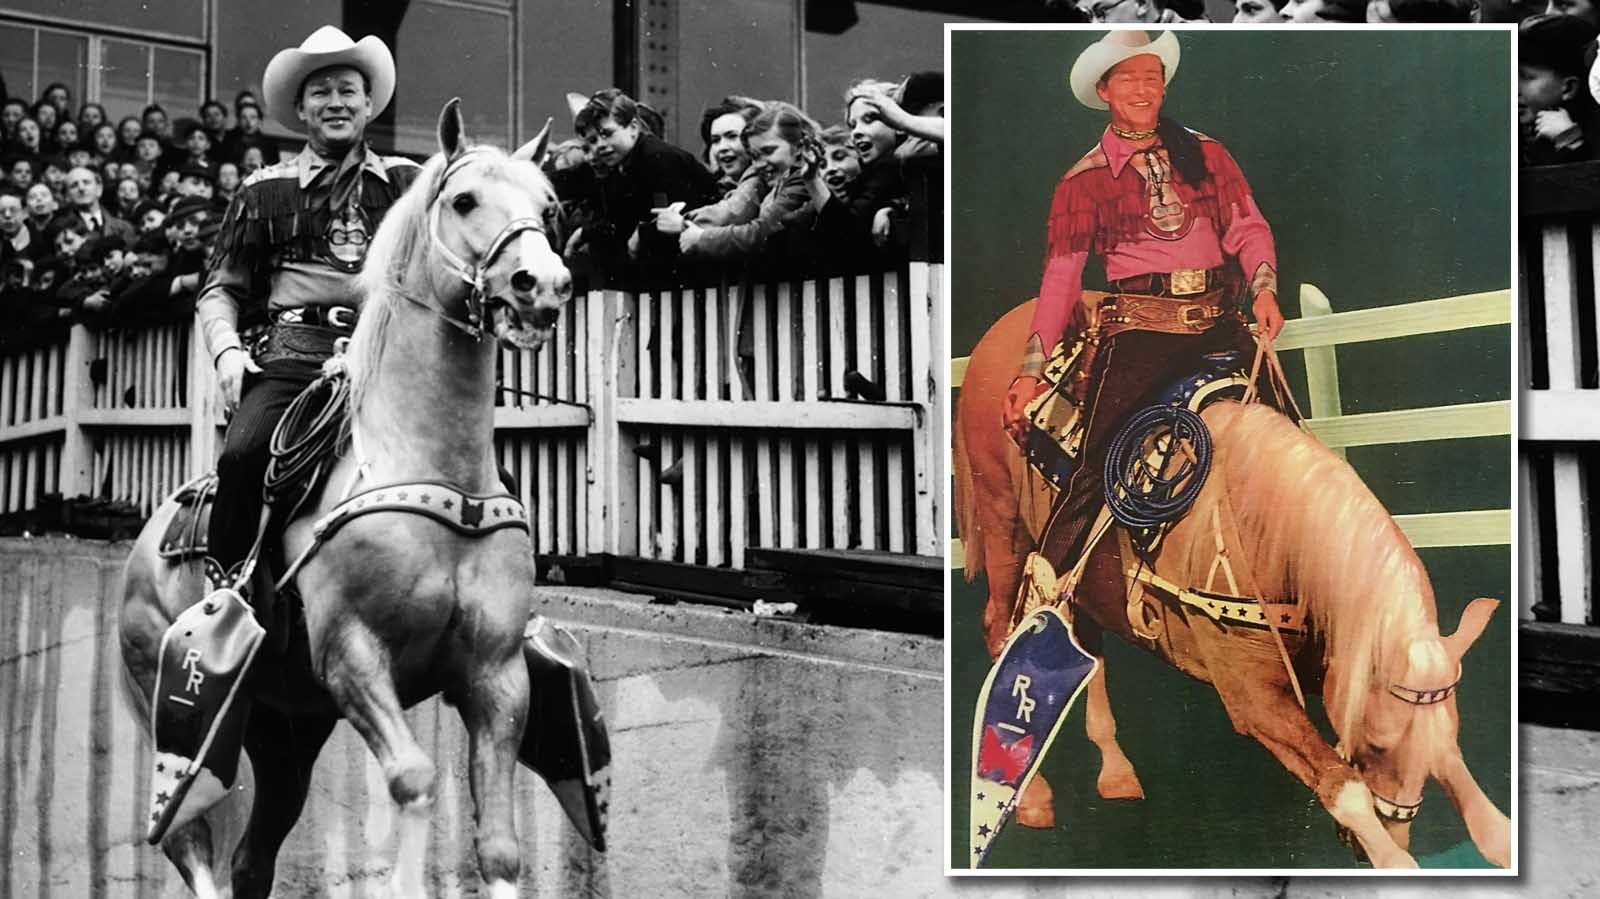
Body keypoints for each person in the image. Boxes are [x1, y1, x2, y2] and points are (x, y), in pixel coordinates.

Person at [150, 24, 421, 842]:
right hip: (294, 357)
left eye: (348, 90)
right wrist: (229, 353)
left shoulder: (406, 183)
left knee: (470, 468)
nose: (336, 102)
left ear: (369, 103)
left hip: (384, 357)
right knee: (243, 455)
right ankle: (227, 611)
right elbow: (220, 289)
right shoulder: (263, 191)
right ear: (300, 110)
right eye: (320, 91)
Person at [1001, 30, 1284, 576]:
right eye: (1128, 78)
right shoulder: (1083, 181)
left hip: (1220, 323)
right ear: (1104, 90)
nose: (1142, 89)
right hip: (1141, 334)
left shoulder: (1207, 154)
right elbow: (1061, 277)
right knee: (1095, 466)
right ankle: (1049, 594)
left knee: (1289, 436)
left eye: (1152, 77)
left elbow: (1248, 227)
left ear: (1164, 86)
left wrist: (1264, 287)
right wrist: (1031, 370)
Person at [572, 88, 719, 268]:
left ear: (633, 128)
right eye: (594, 141)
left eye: (607, 134)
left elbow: (669, 219)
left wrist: (643, 233)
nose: (600, 146)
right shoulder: (622, 162)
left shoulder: (658, 158)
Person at [58, 166, 136, 246]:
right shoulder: (61, 230)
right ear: (67, 196)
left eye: (86, 182)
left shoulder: (124, 227)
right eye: (74, 185)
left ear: (99, 189)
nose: (81, 188)